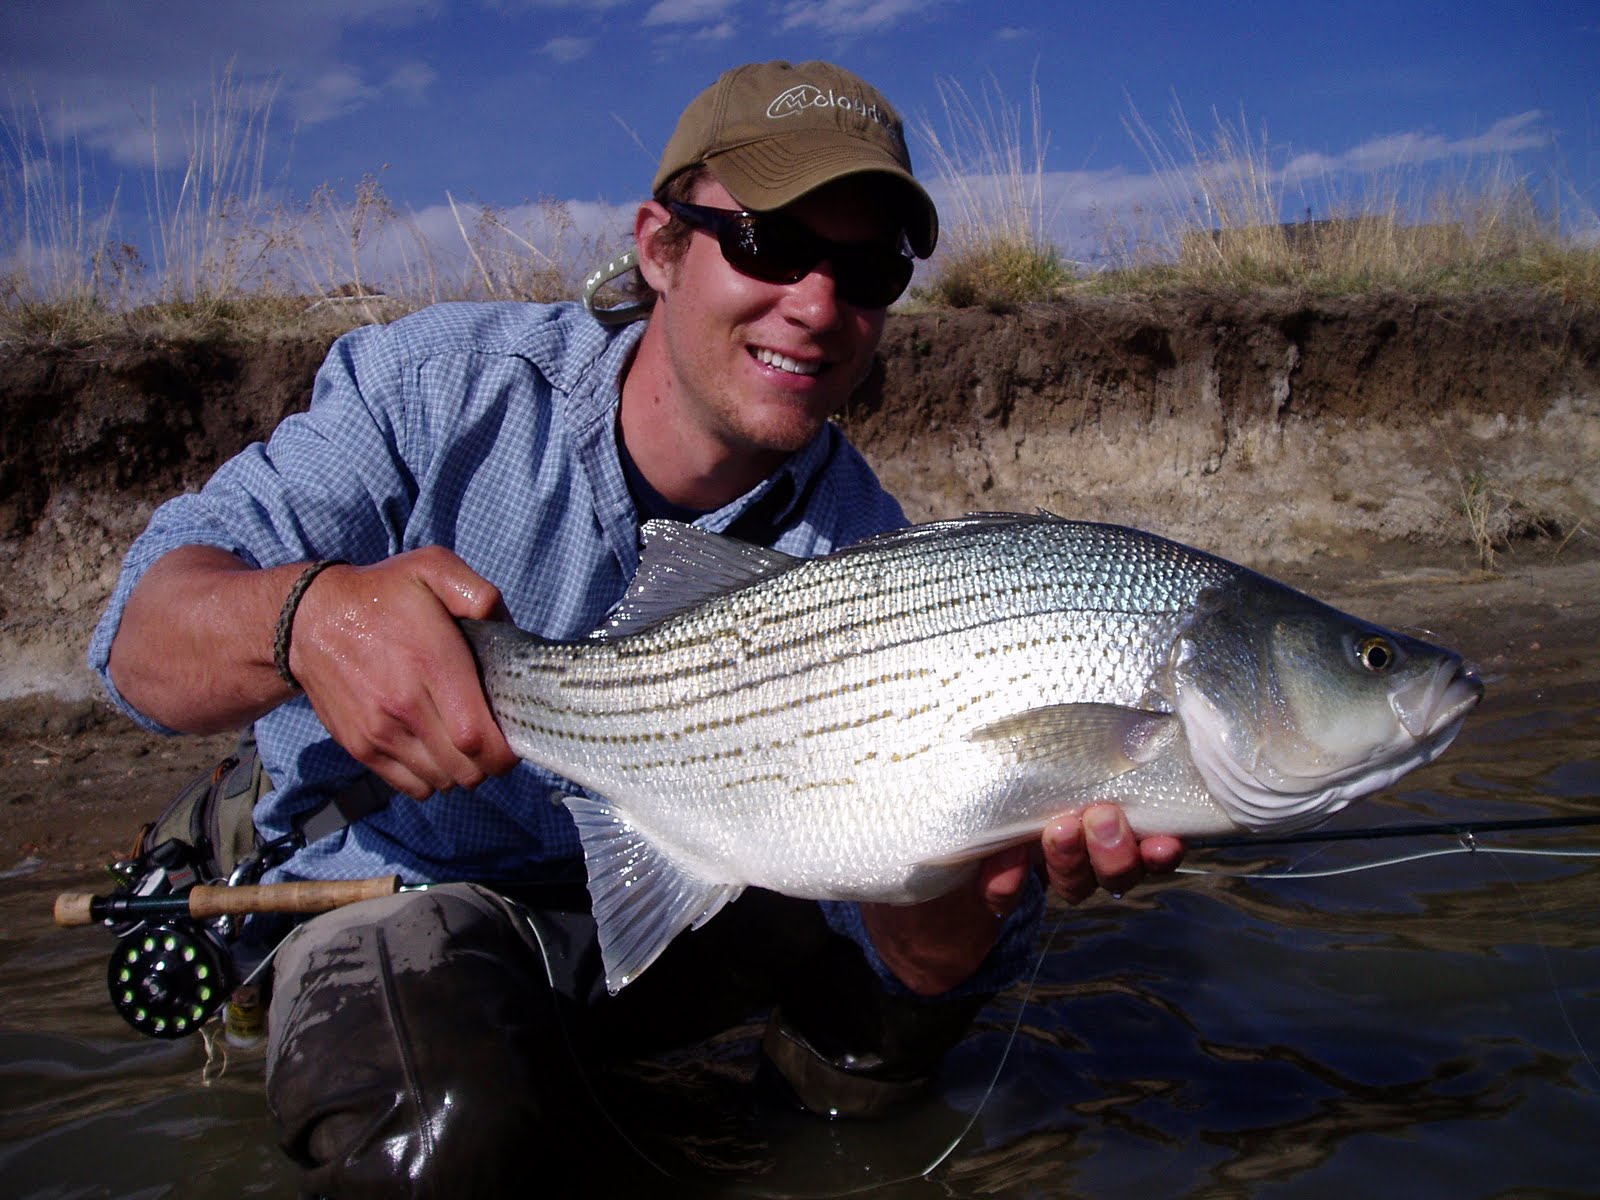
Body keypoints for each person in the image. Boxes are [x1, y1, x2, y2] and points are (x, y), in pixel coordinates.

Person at [90, 59, 1182, 1194]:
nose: (815, 305)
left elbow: (910, 958)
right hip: (390, 883)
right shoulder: (436, 388)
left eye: (866, 269)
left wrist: (951, 913)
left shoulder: (874, 555)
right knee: (447, 1139)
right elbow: (137, 639)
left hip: (672, 890)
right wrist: (306, 617)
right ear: (658, 247)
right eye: (765, 244)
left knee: (960, 972)